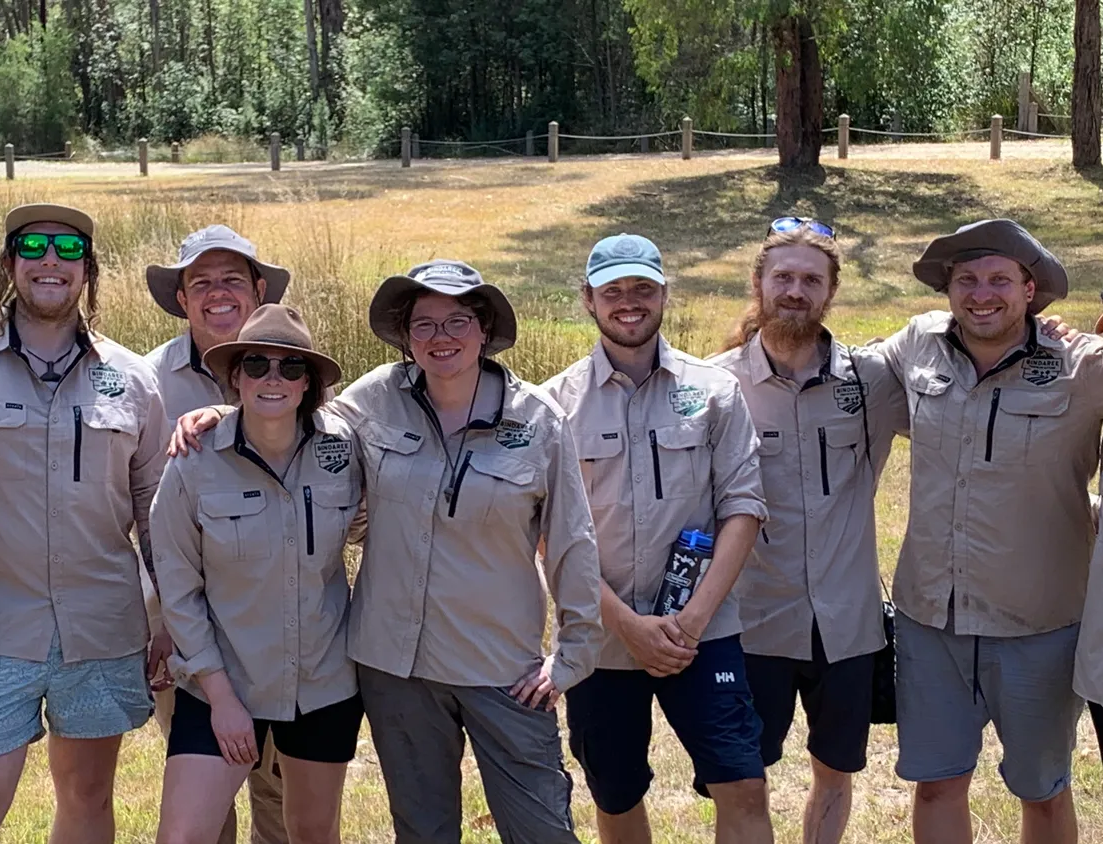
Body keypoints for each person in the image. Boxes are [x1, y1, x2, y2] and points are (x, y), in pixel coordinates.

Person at [172, 259, 604, 844]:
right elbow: (292, 415)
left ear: (483, 329)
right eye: (423, 324)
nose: (440, 338)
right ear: (405, 337)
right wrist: (222, 414)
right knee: (422, 833)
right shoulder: (375, 398)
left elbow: (572, 539)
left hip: (500, 667)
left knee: (542, 831)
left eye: (456, 322)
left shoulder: (537, 420)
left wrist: (571, 654)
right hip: (395, 669)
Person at [0, 204, 168, 843]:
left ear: (88, 270)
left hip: (102, 629)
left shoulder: (131, 378)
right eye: (34, 246)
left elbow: (154, 514)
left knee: (89, 797)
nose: (50, 260)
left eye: (68, 250)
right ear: (10, 263)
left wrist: (173, 620)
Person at [876, 219, 1103, 844]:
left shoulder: (1080, 366)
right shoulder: (916, 344)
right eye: (966, 279)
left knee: (1043, 790)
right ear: (946, 290)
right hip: (930, 622)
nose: (982, 293)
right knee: (939, 782)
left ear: (1031, 290)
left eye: (1000, 279)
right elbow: (832, 375)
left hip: (1040, 626)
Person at [542, 234, 772, 844]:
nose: (629, 303)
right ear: (588, 300)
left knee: (743, 783)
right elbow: (550, 536)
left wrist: (691, 622)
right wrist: (625, 624)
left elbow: (743, 508)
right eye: (612, 291)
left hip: (703, 635)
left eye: (642, 288)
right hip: (600, 637)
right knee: (615, 794)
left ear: (664, 293)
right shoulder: (552, 406)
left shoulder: (715, 392)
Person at [708, 219, 906, 844]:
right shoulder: (711, 384)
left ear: (831, 292)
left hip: (846, 623)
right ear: (759, 284)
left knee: (835, 772)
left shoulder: (872, 380)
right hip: (750, 621)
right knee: (743, 779)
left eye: (811, 280)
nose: (796, 290)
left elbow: (960, 390)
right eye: (783, 277)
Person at [152, 304, 362, 844]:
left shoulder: (347, 446)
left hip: (321, 683)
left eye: (290, 368)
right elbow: (179, 590)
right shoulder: (192, 461)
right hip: (223, 682)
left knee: (312, 832)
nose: (274, 378)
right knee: (182, 837)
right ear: (235, 376)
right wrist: (221, 699)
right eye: (257, 364)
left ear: (310, 383)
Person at [144, 226, 293, 844]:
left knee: (280, 792)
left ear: (259, 289)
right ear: (181, 298)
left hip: (283, 622)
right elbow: (131, 508)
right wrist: (153, 619)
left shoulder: (296, 368)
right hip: (183, 624)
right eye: (200, 283)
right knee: (204, 786)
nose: (217, 294)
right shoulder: (144, 380)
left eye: (233, 279)